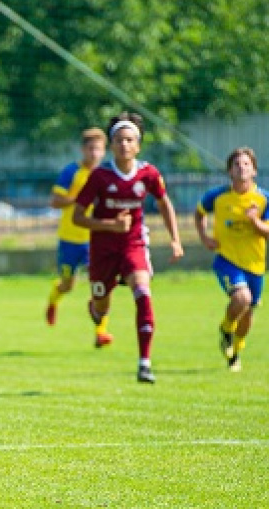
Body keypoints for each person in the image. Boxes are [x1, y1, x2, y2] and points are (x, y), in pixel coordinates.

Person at [72, 112, 184, 383]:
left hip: (133, 245)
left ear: (138, 145)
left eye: (130, 140)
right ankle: (96, 309)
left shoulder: (148, 174)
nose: (124, 145)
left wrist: (175, 239)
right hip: (102, 250)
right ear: (112, 145)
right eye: (119, 140)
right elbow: (77, 216)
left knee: (143, 293)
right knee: (102, 306)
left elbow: (163, 203)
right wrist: (110, 225)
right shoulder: (100, 176)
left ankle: (144, 363)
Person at [194, 147, 269, 372]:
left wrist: (255, 221)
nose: (242, 168)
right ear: (229, 171)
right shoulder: (217, 196)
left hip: (255, 264)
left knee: (247, 314)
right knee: (241, 298)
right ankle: (226, 328)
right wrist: (204, 237)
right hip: (227, 260)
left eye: (246, 164)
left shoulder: (263, 199)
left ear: (254, 170)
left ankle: (235, 352)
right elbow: (199, 214)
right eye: (237, 164)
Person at [45, 127, 108, 344]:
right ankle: (54, 299)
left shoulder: (106, 174)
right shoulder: (71, 172)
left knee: (100, 286)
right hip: (70, 239)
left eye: (98, 149)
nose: (94, 153)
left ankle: (100, 333)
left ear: (104, 151)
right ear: (83, 150)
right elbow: (54, 201)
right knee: (68, 285)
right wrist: (78, 199)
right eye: (90, 148)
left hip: (95, 240)